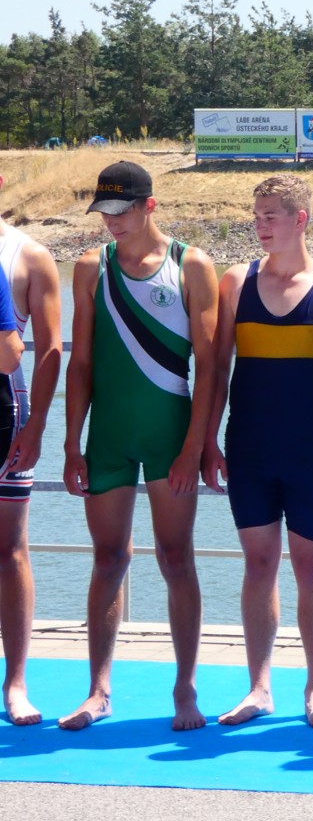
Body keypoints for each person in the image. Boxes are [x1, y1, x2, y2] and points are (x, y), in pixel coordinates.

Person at [204, 175, 313, 729]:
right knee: (258, 563)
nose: (260, 225)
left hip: (311, 451)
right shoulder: (236, 282)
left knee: (310, 564)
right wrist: (207, 441)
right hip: (249, 447)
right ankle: (258, 687)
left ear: (300, 219)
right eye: (256, 216)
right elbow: (217, 371)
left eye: (270, 215)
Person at [60, 161, 218, 731]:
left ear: (149, 205)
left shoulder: (191, 265)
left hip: (170, 435)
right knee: (108, 558)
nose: (111, 221)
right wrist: (71, 444)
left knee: (176, 558)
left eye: (121, 210)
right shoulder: (90, 267)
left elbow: (210, 366)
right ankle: (98, 690)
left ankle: (185, 689)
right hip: (108, 436)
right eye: (103, 212)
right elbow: (81, 364)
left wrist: (196, 446)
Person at [0, 174, 61, 727]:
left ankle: (15, 681)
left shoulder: (29, 255)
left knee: (10, 548)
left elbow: (48, 348)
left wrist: (39, 423)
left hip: (8, 407)